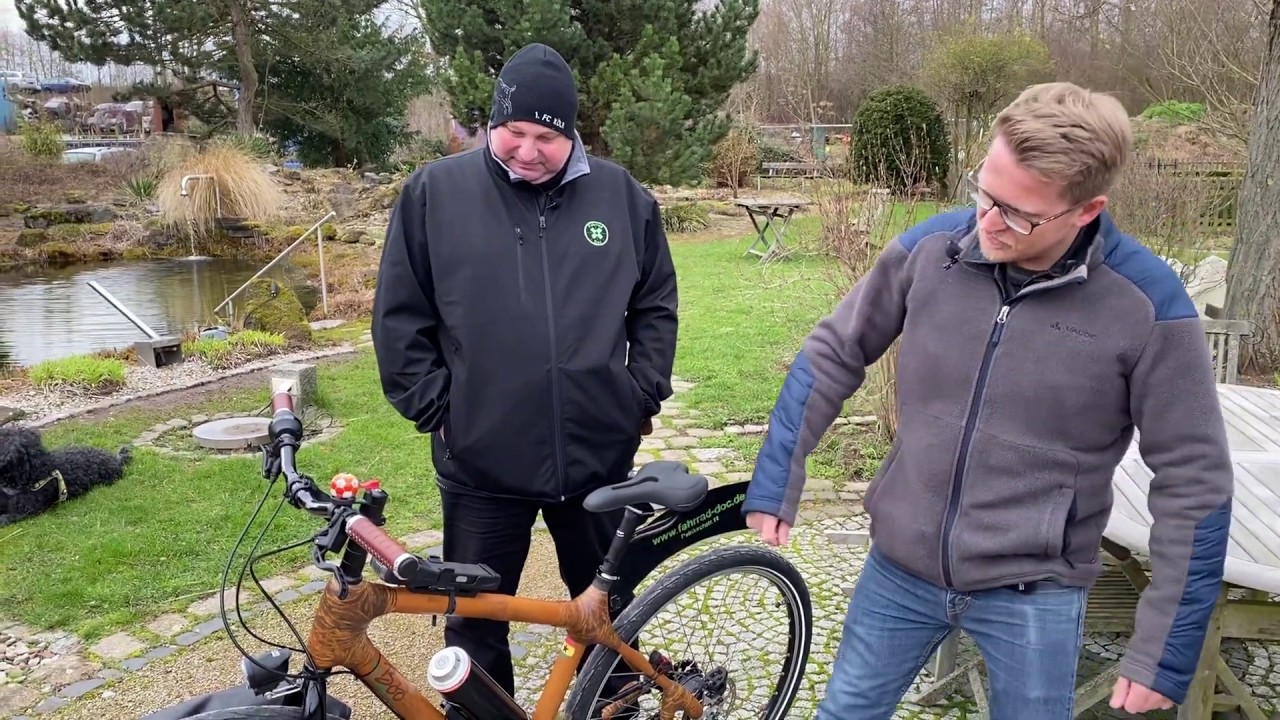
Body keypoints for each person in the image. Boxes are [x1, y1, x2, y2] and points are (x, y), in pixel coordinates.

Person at [742, 81, 1234, 719]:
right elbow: (833, 351)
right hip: (899, 569)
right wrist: (778, 472)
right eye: (985, 192)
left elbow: (1194, 479)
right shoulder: (931, 251)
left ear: (1086, 210)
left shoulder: (1146, 304)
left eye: (1019, 213)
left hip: (1035, 593)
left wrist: (1164, 650)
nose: (988, 223)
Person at [371, 42, 679, 709]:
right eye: (514, 132)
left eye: (547, 136)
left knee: (608, 610)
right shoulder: (434, 195)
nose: (528, 150)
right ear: (491, 123)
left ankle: (617, 702)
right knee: (476, 619)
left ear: (572, 134)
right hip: (482, 466)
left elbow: (655, 304)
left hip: (598, 458)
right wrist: (442, 411)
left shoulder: (624, 199)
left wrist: (639, 393)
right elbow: (400, 320)